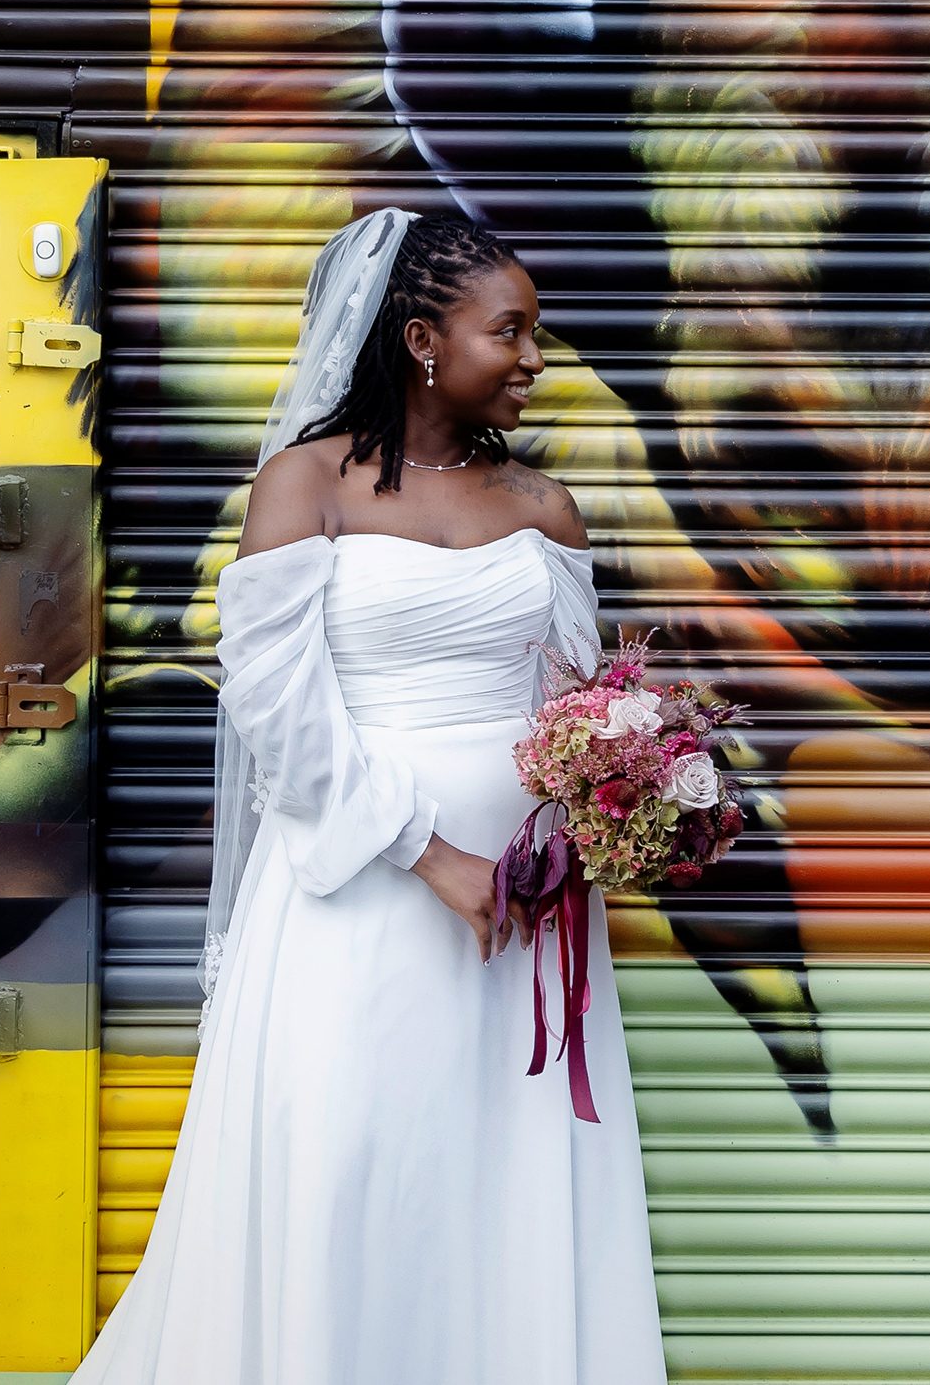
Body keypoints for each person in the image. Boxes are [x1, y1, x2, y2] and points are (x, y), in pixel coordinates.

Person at [73, 210, 666, 1384]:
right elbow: (278, 713)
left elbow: (571, 708)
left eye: (537, 332)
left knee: (506, 1166)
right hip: (359, 896)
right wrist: (430, 853)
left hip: (525, 914)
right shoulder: (305, 485)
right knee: (354, 1156)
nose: (538, 359)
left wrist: (617, 803)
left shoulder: (546, 510)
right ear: (421, 340)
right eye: (513, 331)